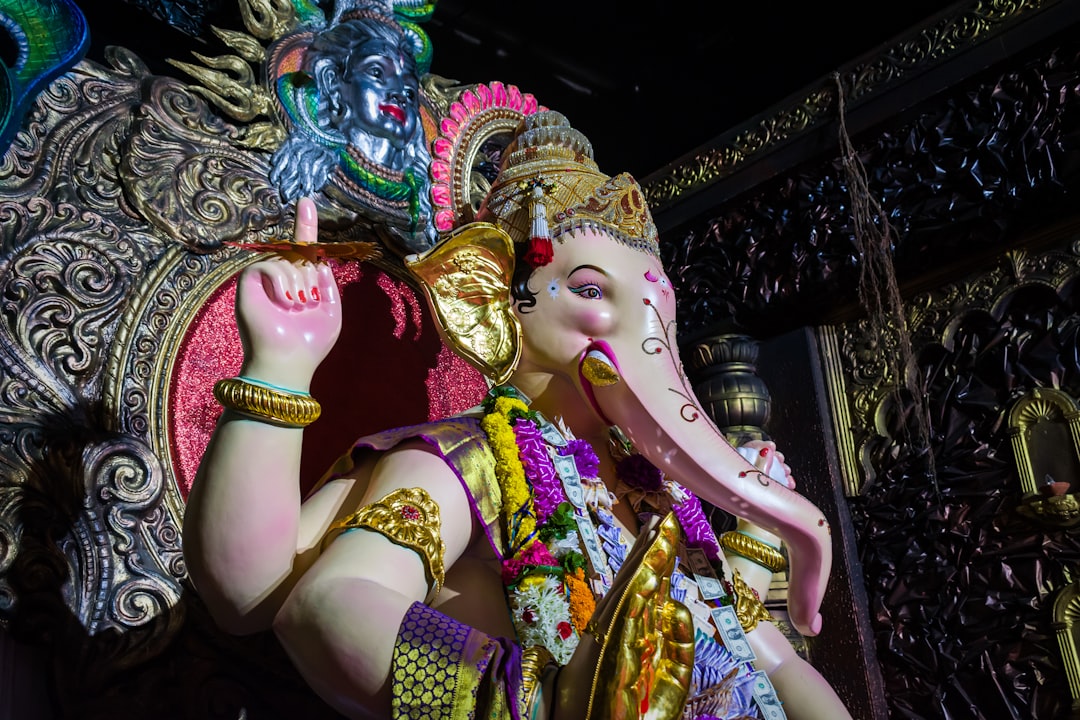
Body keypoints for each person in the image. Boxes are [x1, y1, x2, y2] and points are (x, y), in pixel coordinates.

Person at [183, 110, 852, 719]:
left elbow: (772, 663)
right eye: (591, 291)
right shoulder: (469, 460)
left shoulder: (661, 495)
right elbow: (327, 604)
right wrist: (538, 702)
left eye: (659, 314)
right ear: (490, 297)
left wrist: (757, 544)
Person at [269, 6, 436, 251]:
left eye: (410, 92)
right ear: (331, 81)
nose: (399, 93)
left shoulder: (424, 226)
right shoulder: (293, 179)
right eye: (377, 72)